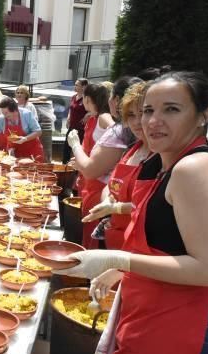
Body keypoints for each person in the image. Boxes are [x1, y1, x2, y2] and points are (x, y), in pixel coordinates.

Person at [57, 71, 208, 354]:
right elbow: (171, 223)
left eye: (171, 110)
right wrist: (119, 213)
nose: (153, 121)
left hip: (177, 325)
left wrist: (119, 261)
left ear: (202, 116)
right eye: (148, 110)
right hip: (161, 314)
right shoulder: (175, 162)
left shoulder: (194, 168)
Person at [82, 81, 150, 250]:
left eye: (143, 113)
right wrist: (108, 201)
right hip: (115, 237)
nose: (136, 122)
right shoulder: (133, 149)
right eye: (131, 115)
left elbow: (149, 207)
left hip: (136, 247)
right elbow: (113, 183)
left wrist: (116, 208)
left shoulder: (164, 158)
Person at [67, 82, 120, 249]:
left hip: (99, 182)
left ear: (88, 99)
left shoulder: (104, 118)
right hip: (89, 178)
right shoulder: (93, 118)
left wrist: (77, 147)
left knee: (93, 231)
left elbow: (117, 137)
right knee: (87, 226)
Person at [0, 97, 44, 161]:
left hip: (32, 151)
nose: (4, 115)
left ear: (15, 110)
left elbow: (38, 131)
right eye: (3, 113)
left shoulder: (26, 114)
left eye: (6, 113)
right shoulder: (2, 118)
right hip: (16, 152)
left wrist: (25, 138)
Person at [64, 78, 88, 162]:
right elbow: (71, 108)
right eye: (75, 84)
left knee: (79, 147)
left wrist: (88, 114)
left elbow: (93, 109)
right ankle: (64, 165)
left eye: (77, 85)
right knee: (66, 146)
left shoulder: (86, 98)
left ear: (84, 87)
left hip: (81, 128)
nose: (75, 87)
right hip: (72, 125)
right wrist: (68, 118)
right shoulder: (74, 97)